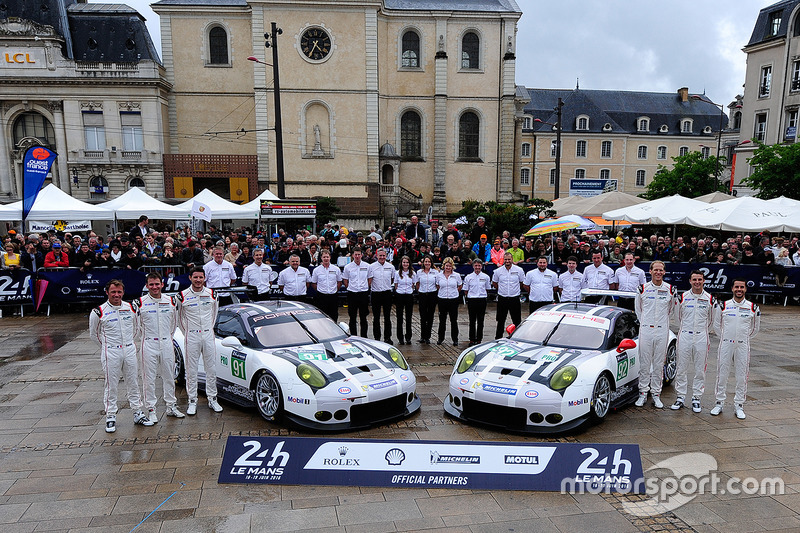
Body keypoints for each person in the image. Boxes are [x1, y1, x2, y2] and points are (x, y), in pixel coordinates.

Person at [89, 279, 152, 433]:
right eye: (113, 292)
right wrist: (107, 347)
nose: (116, 295)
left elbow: (137, 329)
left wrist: (129, 343)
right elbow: (93, 334)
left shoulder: (130, 307)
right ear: (107, 292)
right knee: (111, 384)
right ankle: (110, 415)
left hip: (129, 349)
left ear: (123, 292)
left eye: (119, 292)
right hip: (111, 351)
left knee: (133, 381)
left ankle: (137, 412)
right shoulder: (98, 311)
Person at [133, 273, 184, 422]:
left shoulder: (171, 301)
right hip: (148, 343)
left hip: (166, 342)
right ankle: (151, 409)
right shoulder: (140, 303)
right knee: (148, 378)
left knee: (169, 375)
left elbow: (174, 323)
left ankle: (171, 405)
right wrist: (145, 338)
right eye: (151, 284)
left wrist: (167, 337)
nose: (154, 287)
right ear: (147, 286)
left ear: (162, 284)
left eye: (157, 284)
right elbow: (137, 327)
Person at [712, 278, 760, 419]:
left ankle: (739, 404)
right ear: (732, 288)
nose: (739, 290)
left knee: (741, 375)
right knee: (722, 374)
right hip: (726, 343)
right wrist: (726, 338)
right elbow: (716, 325)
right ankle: (719, 402)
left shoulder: (752, 307)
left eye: (742, 287)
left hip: (742, 345)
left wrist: (743, 338)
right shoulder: (723, 306)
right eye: (737, 287)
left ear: (745, 289)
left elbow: (755, 329)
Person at [177, 268, 222, 415]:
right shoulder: (182, 296)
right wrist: (188, 333)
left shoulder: (212, 294)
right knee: (191, 370)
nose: (198, 280)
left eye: (200, 277)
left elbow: (214, 315)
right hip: (192, 336)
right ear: (190, 278)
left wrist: (208, 330)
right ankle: (192, 400)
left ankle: (212, 398)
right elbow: (179, 318)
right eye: (195, 277)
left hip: (208, 335)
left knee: (212, 368)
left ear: (204, 278)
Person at [634, 260, 677, 409]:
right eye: (655, 270)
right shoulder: (642, 288)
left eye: (661, 270)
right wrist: (645, 323)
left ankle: (656, 394)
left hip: (662, 330)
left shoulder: (670, 289)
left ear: (664, 272)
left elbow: (671, 310)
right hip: (646, 329)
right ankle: (643, 393)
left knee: (659, 363)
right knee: (645, 363)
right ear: (650, 271)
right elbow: (638, 310)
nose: (658, 272)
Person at [671, 270, 714, 413]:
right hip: (685, 335)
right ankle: (680, 396)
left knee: (700, 369)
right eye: (694, 279)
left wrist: (702, 331)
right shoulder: (683, 297)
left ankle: (696, 397)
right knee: (681, 367)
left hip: (701, 336)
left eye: (699, 279)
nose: (697, 282)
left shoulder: (709, 298)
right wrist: (685, 329)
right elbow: (678, 318)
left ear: (703, 281)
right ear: (690, 281)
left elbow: (711, 320)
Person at [492, 251, 525, 338]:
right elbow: (495, 283)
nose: (507, 261)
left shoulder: (519, 270)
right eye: (505, 259)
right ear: (503, 260)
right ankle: (498, 339)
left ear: (512, 260)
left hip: (514, 298)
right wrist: (502, 290)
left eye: (509, 259)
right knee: (500, 321)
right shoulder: (498, 271)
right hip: (502, 299)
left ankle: (518, 338)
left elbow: (521, 283)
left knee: (517, 321)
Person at [368, 248, 396, 343]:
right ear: (377, 256)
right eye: (380, 255)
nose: (382, 257)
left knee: (387, 317)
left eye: (384, 255)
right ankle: (377, 338)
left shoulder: (390, 267)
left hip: (387, 293)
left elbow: (392, 279)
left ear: (386, 256)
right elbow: (370, 280)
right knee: (376, 317)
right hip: (376, 293)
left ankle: (387, 337)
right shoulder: (371, 267)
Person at [342, 247, 370, 337]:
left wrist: (364, 287)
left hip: (363, 294)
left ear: (361, 255)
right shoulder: (348, 267)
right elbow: (345, 281)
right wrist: (351, 287)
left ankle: (364, 337)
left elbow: (369, 279)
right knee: (352, 317)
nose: (357, 256)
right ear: (352, 255)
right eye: (355, 254)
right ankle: (353, 336)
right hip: (352, 294)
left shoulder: (367, 266)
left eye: (359, 254)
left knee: (363, 317)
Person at [462, 259, 490, 345]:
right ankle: (472, 339)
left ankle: (479, 339)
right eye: (476, 265)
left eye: (479, 266)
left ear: (481, 266)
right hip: (472, 300)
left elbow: (487, 288)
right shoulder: (468, 277)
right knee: (472, 320)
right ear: (473, 266)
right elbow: (466, 290)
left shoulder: (486, 277)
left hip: (482, 299)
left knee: (481, 320)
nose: (477, 267)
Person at [436, 257, 462, 346]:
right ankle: (440, 338)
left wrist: (453, 292)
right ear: (444, 266)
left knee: (453, 320)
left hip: (453, 299)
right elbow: (437, 286)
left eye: (450, 266)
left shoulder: (456, 275)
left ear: (452, 267)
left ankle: (455, 339)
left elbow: (459, 286)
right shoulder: (439, 275)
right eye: (446, 266)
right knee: (442, 320)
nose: (448, 268)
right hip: (442, 299)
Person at [311, 249, 342, 320]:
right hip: (321, 296)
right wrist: (320, 290)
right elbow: (314, 283)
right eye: (324, 257)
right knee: (322, 317)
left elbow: (339, 282)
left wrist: (334, 290)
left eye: (327, 257)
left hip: (333, 296)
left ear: (330, 257)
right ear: (321, 258)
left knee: (334, 316)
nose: (326, 259)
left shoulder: (336, 269)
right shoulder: (316, 270)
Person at [414, 255, 438, 344]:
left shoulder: (435, 272)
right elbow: (417, 283)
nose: (427, 263)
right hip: (423, 294)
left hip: (432, 294)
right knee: (423, 316)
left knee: (430, 316)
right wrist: (420, 291)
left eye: (429, 262)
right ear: (423, 263)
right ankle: (423, 336)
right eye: (426, 262)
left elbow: (437, 284)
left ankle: (428, 336)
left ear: (431, 263)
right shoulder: (419, 272)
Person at [394, 256, 415, 345]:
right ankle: (400, 337)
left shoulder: (413, 273)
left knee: (409, 317)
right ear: (401, 263)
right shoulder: (397, 273)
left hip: (409, 296)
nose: (405, 264)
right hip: (400, 296)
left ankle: (408, 337)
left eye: (407, 262)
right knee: (399, 318)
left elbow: (413, 284)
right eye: (404, 262)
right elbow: (396, 285)